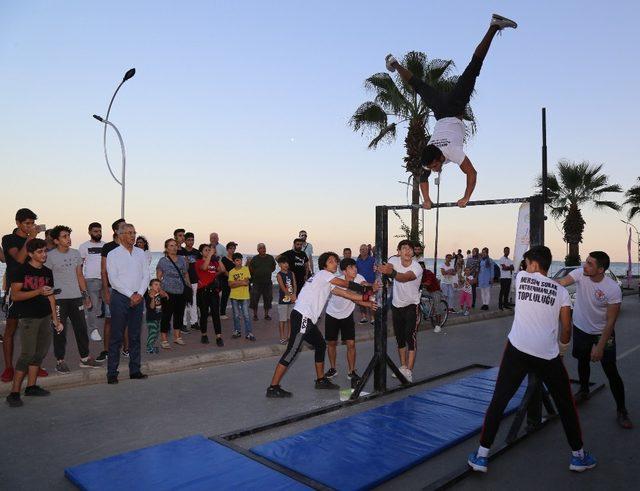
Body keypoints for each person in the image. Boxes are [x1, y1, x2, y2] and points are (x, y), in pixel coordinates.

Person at [468, 246, 596, 474]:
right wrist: (562, 350)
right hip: (547, 355)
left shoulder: (521, 277)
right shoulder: (561, 292)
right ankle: (578, 456)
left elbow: (520, 260)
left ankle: (481, 455)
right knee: (566, 404)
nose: (525, 265)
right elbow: (566, 328)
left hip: (517, 350)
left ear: (534, 265)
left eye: (528, 262)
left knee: (499, 400)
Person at [386, 14, 517, 209]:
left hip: (453, 108)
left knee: (473, 68)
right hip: (439, 110)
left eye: (435, 166)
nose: (435, 170)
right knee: (418, 85)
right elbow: (423, 177)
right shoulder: (429, 157)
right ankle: (394, 63)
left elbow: (472, 173)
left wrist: (466, 197)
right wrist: (427, 200)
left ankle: (493, 27)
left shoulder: (453, 152)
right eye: (432, 168)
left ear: (440, 157)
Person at [266, 252, 377, 398]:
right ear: (324, 265)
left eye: (336, 261)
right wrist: (367, 289)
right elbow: (344, 284)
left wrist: (368, 301)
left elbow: (346, 294)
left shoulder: (327, 281)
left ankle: (320, 380)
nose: (335, 263)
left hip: (307, 319)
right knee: (292, 351)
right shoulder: (323, 275)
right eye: (331, 261)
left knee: (320, 345)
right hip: (303, 317)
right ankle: (273, 387)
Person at [557, 252, 632, 429]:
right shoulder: (580, 273)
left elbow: (611, 320)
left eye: (590, 264)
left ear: (600, 269)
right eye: (586, 261)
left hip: (602, 333)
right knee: (582, 361)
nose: (585, 265)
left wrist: (599, 346)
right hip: (581, 328)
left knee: (610, 369)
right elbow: (561, 283)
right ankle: (584, 391)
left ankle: (622, 410)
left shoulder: (612, 288)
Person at [6, 239, 64, 407]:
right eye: (40, 252)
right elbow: (15, 296)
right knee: (27, 355)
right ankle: (14, 392)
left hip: (45, 316)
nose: (44, 254)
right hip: (28, 317)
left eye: (45, 251)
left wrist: (56, 319)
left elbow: (51, 296)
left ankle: (31, 387)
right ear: (30, 254)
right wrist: (38, 291)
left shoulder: (47, 272)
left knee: (39, 353)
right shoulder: (21, 270)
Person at [1, 208, 49, 382]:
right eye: (27, 223)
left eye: (32, 223)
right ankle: (8, 368)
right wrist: (30, 239)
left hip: (34, 287)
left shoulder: (34, 240)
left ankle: (34, 365)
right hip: (16, 287)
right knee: (11, 329)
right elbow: (18, 261)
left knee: (36, 329)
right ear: (18, 223)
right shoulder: (9, 239)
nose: (30, 226)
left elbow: (40, 260)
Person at [46, 225, 101, 372]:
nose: (68, 239)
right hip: (59, 299)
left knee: (81, 329)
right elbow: (46, 278)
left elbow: (79, 275)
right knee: (59, 330)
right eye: (64, 236)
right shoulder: (50, 256)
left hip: (76, 297)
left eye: (68, 236)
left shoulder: (76, 253)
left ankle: (85, 358)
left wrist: (85, 295)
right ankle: (60, 361)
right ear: (56, 240)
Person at [105, 223, 149, 384]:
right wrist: (131, 294)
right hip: (120, 299)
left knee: (135, 336)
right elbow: (113, 280)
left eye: (134, 232)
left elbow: (146, 275)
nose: (133, 235)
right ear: (121, 235)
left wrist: (140, 294)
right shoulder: (113, 254)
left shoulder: (140, 253)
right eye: (129, 233)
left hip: (138, 298)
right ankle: (112, 372)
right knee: (116, 336)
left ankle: (135, 370)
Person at [379, 240, 424, 382]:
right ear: (399, 251)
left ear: (413, 252)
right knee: (400, 339)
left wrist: (390, 272)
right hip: (396, 305)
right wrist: (386, 269)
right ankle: (403, 367)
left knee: (410, 337)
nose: (407, 251)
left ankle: (409, 371)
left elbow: (405, 278)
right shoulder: (394, 260)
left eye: (410, 248)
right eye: (404, 248)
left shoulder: (417, 267)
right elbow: (390, 266)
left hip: (412, 305)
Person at [324, 258, 372, 385]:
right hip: (332, 314)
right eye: (351, 268)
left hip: (347, 315)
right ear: (344, 271)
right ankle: (333, 368)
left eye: (355, 267)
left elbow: (365, 285)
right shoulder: (337, 281)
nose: (355, 269)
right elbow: (350, 296)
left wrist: (373, 286)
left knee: (351, 344)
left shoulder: (358, 277)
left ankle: (351, 371)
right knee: (332, 343)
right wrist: (368, 303)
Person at [99, 218, 127, 362]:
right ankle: (106, 350)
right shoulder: (108, 247)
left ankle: (126, 349)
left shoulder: (129, 246)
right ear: (116, 231)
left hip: (127, 290)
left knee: (127, 320)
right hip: (112, 288)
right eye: (123, 226)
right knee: (109, 320)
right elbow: (103, 271)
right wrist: (106, 291)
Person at [156, 239, 190, 348]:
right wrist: (160, 291)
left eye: (175, 245)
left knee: (179, 315)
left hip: (180, 291)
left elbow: (185, 274)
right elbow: (158, 277)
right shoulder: (162, 261)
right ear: (166, 248)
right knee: (166, 316)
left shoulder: (181, 260)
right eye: (171, 245)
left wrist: (188, 287)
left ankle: (177, 337)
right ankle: (164, 339)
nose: (174, 247)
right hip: (167, 293)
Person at [78, 222, 105, 342]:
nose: (98, 233)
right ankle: (93, 329)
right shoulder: (84, 246)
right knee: (92, 306)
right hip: (91, 279)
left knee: (109, 306)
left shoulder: (105, 245)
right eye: (95, 231)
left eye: (99, 231)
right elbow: (79, 265)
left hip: (105, 279)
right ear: (89, 232)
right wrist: (81, 282)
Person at [195, 244, 225, 346]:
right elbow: (204, 268)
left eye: (209, 250)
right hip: (203, 291)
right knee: (204, 314)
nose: (208, 251)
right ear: (201, 252)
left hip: (214, 291)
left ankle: (219, 337)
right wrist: (210, 255)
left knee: (216, 314)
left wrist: (218, 259)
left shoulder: (213, 262)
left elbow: (222, 270)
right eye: (206, 250)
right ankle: (204, 335)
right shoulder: (199, 262)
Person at [228, 252, 254, 341]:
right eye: (237, 260)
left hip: (244, 296)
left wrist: (236, 283)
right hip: (234, 296)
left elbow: (246, 283)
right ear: (234, 261)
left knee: (246, 315)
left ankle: (249, 333)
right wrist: (241, 282)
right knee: (236, 315)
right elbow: (230, 285)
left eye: (241, 260)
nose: (239, 262)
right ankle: (237, 331)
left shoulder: (246, 269)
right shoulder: (231, 272)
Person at [179, 232, 202, 332]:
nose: (191, 242)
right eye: (188, 240)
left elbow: (201, 266)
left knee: (193, 301)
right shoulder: (181, 251)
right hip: (183, 280)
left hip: (194, 280)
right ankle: (183, 323)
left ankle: (194, 322)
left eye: (192, 240)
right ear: (185, 241)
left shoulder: (197, 252)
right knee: (183, 302)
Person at [248, 243, 276, 321]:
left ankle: (266, 315)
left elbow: (273, 267)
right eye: (261, 248)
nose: (263, 249)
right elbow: (251, 269)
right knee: (254, 299)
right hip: (256, 282)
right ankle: (255, 315)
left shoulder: (270, 257)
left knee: (268, 299)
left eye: (264, 247)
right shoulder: (255, 258)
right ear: (258, 250)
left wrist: (267, 271)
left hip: (267, 282)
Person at [275, 255, 297, 345]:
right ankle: (282, 337)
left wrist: (294, 294)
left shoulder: (291, 273)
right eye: (283, 263)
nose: (286, 265)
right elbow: (283, 287)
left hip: (292, 300)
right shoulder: (279, 275)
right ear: (279, 265)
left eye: (287, 263)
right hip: (283, 301)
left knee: (290, 319)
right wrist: (290, 296)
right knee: (282, 320)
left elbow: (294, 284)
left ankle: (289, 335)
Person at [144, 279, 167, 354]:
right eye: (156, 285)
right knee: (152, 333)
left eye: (159, 285)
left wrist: (163, 293)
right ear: (150, 287)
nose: (158, 286)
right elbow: (151, 307)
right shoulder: (149, 296)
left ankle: (151, 346)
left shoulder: (158, 294)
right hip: (151, 318)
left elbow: (165, 297)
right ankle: (149, 348)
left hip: (157, 317)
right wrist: (153, 298)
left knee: (156, 333)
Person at [356, 244, 376, 324]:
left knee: (371, 301)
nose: (363, 251)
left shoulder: (373, 259)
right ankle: (363, 317)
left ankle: (372, 318)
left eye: (364, 249)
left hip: (370, 285)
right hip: (360, 285)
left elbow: (377, 270)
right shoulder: (357, 261)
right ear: (359, 251)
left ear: (368, 251)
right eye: (361, 249)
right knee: (361, 302)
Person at [218, 242, 237, 319]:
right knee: (225, 296)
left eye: (234, 248)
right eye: (231, 248)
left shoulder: (235, 259)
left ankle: (235, 312)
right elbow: (224, 270)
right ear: (227, 249)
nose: (232, 250)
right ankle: (222, 313)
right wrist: (230, 277)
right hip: (225, 280)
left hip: (233, 281)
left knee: (234, 297)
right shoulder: (224, 259)